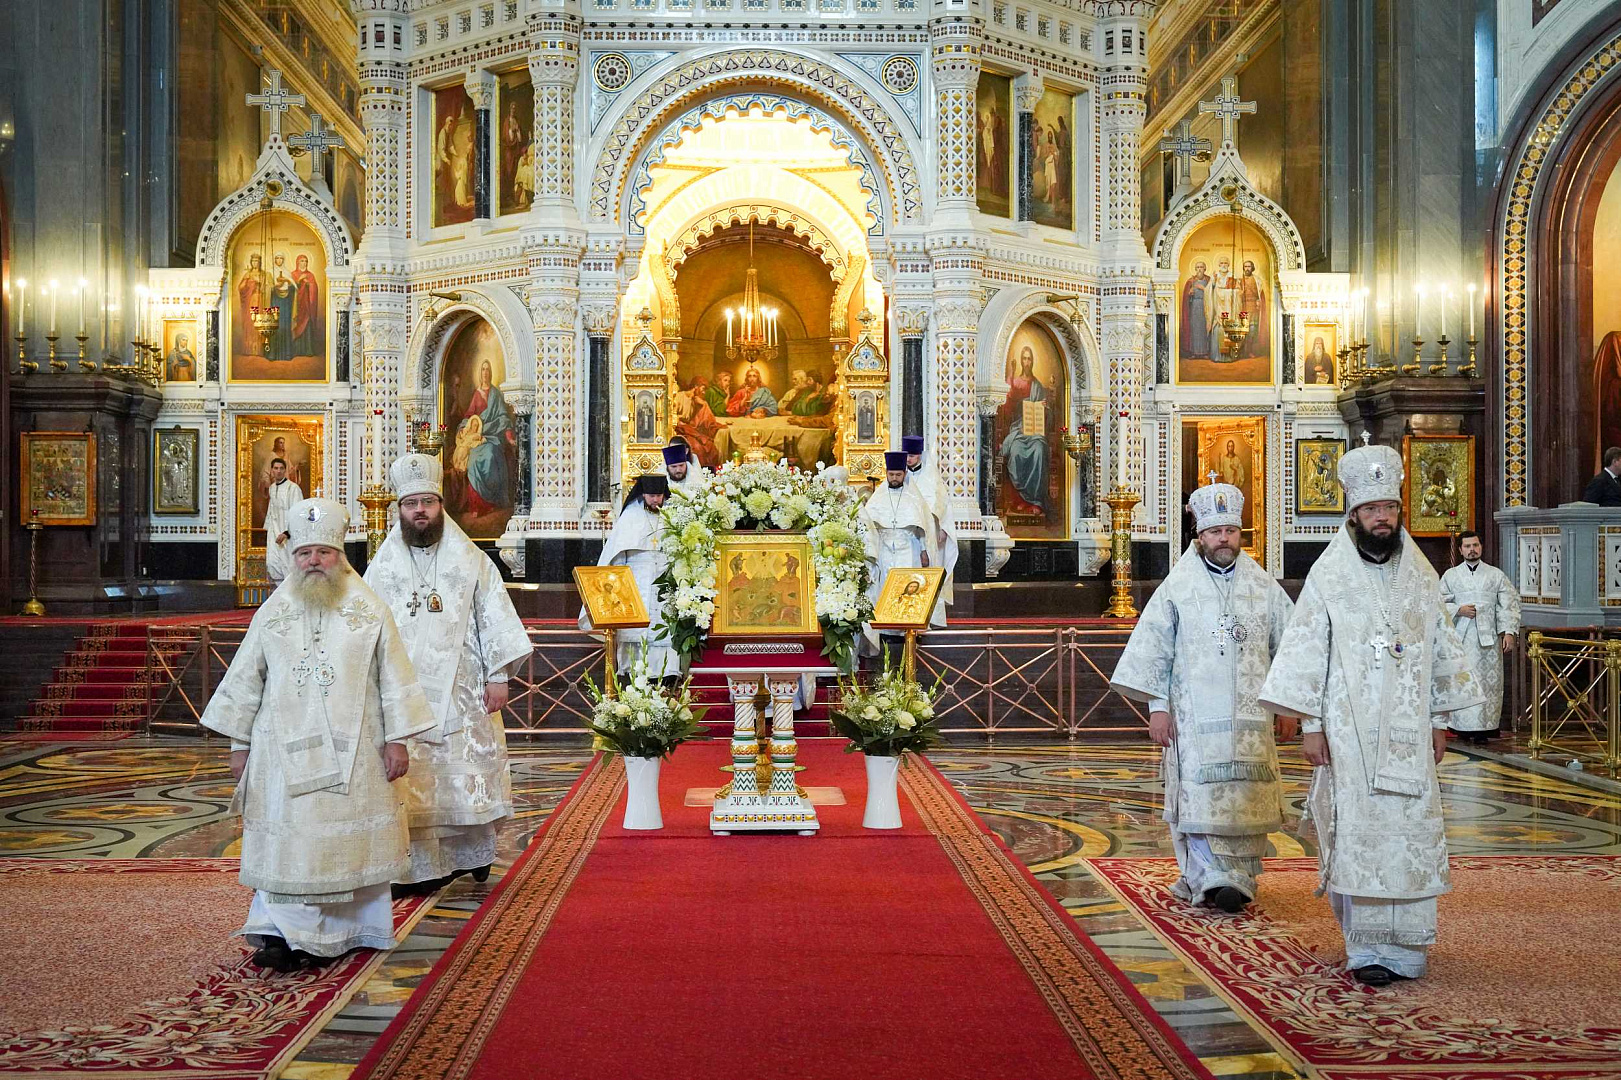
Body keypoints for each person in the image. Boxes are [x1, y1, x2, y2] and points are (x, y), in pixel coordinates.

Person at [1259, 441, 1483, 987]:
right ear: (1352, 514)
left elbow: (1440, 646)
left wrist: (1438, 719)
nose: (1381, 518)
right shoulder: (1329, 576)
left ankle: (1407, 947)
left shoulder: (1422, 576)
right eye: (1371, 510)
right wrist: (1310, 726)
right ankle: (1366, 949)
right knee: (1357, 830)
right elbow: (1308, 649)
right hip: (1348, 730)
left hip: (1409, 729)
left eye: (1389, 507)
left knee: (1408, 830)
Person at [200, 497, 436, 973]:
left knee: (342, 847)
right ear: (293, 558)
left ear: (339, 555)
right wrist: (238, 745)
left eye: (322, 553)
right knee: (291, 844)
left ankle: (346, 929)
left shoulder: (369, 609)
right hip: (279, 752)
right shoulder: (274, 611)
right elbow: (247, 678)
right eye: (304, 554)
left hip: (358, 752)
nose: (313, 562)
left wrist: (398, 740)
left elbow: (394, 677)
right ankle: (280, 931)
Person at [1111, 481, 1295, 912]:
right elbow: (1155, 650)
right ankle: (1209, 877)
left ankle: (1240, 876)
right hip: (1192, 720)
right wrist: (1158, 709)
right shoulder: (1178, 587)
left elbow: (1289, 648)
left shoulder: (1265, 587)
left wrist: (1290, 710)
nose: (1224, 539)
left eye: (1231, 531)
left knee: (1247, 797)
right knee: (1199, 796)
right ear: (1201, 536)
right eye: (1216, 533)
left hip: (1254, 720)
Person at [364, 454, 532, 896]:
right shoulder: (382, 566)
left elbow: (493, 615)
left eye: (428, 502)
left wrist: (499, 675)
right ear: (398, 511)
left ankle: (470, 857)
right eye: (410, 504)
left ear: (441, 506)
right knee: (414, 781)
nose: (419, 511)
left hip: (463, 692)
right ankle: (416, 867)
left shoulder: (469, 558)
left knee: (461, 781)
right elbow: (363, 626)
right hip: (403, 694)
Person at [584, 473, 676, 677]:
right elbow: (616, 555)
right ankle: (632, 672)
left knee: (664, 626)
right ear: (643, 494)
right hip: (637, 579)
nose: (655, 500)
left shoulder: (673, 514)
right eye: (651, 495)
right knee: (635, 628)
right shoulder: (630, 516)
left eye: (659, 495)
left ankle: (667, 672)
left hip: (664, 578)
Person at [1439, 531, 1521, 746]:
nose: (1472, 549)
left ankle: (1484, 728)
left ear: (1481, 547)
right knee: (1463, 682)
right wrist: (1458, 609)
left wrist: (1509, 632)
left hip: (1489, 641)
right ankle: (1461, 727)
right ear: (1460, 550)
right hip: (1461, 640)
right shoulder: (1450, 575)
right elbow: (1437, 603)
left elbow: (1509, 605)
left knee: (1486, 684)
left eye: (1475, 545)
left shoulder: (1496, 575)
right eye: (1467, 546)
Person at [859, 451, 938, 654]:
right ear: (887, 473)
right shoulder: (878, 498)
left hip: (907, 550)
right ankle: (885, 629)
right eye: (891, 474)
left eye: (898, 475)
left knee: (907, 590)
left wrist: (923, 551)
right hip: (885, 550)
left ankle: (907, 629)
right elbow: (869, 527)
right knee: (884, 587)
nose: (894, 478)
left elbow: (923, 529)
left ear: (904, 474)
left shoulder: (914, 498)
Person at [902, 435, 956, 628]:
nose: (909, 459)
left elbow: (943, 504)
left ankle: (928, 617)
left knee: (927, 572)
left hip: (929, 534)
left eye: (913, 455)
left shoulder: (931, 476)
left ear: (920, 455)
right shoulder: (900, 475)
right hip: (907, 534)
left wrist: (943, 527)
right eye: (906, 455)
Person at [998, 346, 1051, 515]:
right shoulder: (1015, 382)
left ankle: (1035, 501)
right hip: (1019, 429)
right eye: (1024, 358)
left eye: (1029, 359)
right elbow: (1005, 406)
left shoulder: (1038, 386)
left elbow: (1049, 414)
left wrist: (1044, 408)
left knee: (1039, 450)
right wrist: (1011, 375)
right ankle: (1019, 500)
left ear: (1032, 361)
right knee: (1015, 452)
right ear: (1021, 361)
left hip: (1035, 431)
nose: (1026, 362)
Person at [263, 457, 304, 583]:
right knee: (272, 563)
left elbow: (298, 512)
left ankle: (290, 599)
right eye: (276, 468)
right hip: (274, 533)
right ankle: (279, 598)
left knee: (288, 566)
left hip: (287, 535)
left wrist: (287, 532)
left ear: (285, 470)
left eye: (281, 468)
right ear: (271, 471)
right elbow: (271, 510)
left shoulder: (293, 488)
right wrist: (269, 530)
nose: (279, 471)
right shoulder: (272, 488)